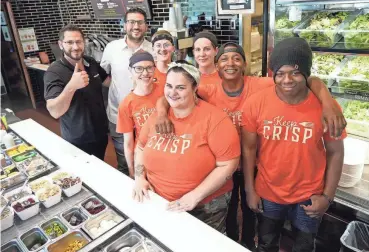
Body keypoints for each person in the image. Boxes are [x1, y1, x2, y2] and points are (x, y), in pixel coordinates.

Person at [155, 42, 346, 249]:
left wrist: (327, 100)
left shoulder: (263, 87)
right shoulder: (212, 91)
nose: (287, 79)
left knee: (295, 240)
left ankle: (246, 242)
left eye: (236, 58)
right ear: (216, 65)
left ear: (245, 64)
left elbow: (309, 81)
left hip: (287, 183)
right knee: (250, 229)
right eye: (281, 73)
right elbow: (176, 90)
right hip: (243, 177)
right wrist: (160, 112)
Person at [241, 37, 346, 252]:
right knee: (266, 244)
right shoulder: (256, 103)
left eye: (295, 73)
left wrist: (327, 197)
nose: (287, 79)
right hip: (268, 192)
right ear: (273, 74)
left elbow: (335, 152)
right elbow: (249, 149)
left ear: (306, 74)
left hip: (309, 197)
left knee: (304, 247)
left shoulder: (327, 107)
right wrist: (250, 190)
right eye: (280, 73)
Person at [132, 62, 240, 233]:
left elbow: (228, 164)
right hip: (159, 200)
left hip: (205, 206)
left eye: (180, 88)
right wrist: (139, 178)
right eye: (169, 86)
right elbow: (140, 148)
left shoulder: (215, 119)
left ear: (195, 87)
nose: (172, 93)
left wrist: (194, 196)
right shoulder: (158, 116)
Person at [44, 24, 109, 160]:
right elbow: (54, 111)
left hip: (100, 133)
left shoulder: (90, 63)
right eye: (69, 42)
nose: (75, 47)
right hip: (77, 139)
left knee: (99, 169)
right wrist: (72, 86)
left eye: (78, 41)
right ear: (61, 44)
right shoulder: (54, 71)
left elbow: (107, 81)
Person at [100, 7, 153, 174]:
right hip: (118, 116)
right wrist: (118, 88)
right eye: (131, 22)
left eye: (139, 22)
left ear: (146, 26)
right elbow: (103, 75)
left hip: (148, 118)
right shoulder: (112, 48)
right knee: (124, 161)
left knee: (151, 160)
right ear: (124, 25)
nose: (135, 26)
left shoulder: (154, 49)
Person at [116, 51, 162, 178]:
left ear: (154, 69)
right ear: (131, 71)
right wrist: (132, 171)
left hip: (166, 152)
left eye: (149, 68)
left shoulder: (165, 91)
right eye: (139, 69)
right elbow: (128, 143)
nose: (145, 73)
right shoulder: (126, 104)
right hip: (144, 156)